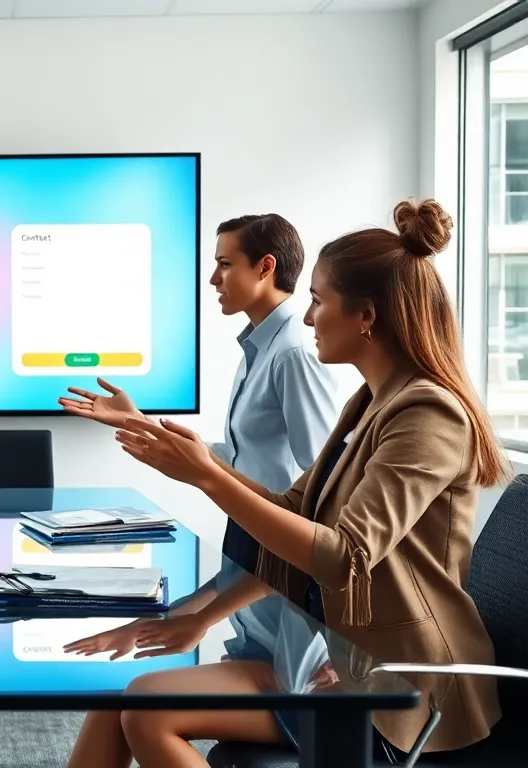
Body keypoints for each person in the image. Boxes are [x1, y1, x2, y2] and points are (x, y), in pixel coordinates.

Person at [70, 200, 503, 767]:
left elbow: (344, 556)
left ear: (366, 315)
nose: (305, 317)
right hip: (351, 665)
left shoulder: (429, 413)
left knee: (145, 711)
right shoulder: (368, 403)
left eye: (319, 302)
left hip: (406, 696)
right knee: (119, 705)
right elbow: (291, 507)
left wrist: (205, 475)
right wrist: (193, 465)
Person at [60, 213, 337, 662]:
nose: (214, 278)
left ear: (265, 268)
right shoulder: (260, 348)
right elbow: (239, 456)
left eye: (225, 265)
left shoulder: (292, 354)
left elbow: (321, 481)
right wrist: (138, 422)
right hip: (252, 552)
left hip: (281, 570)